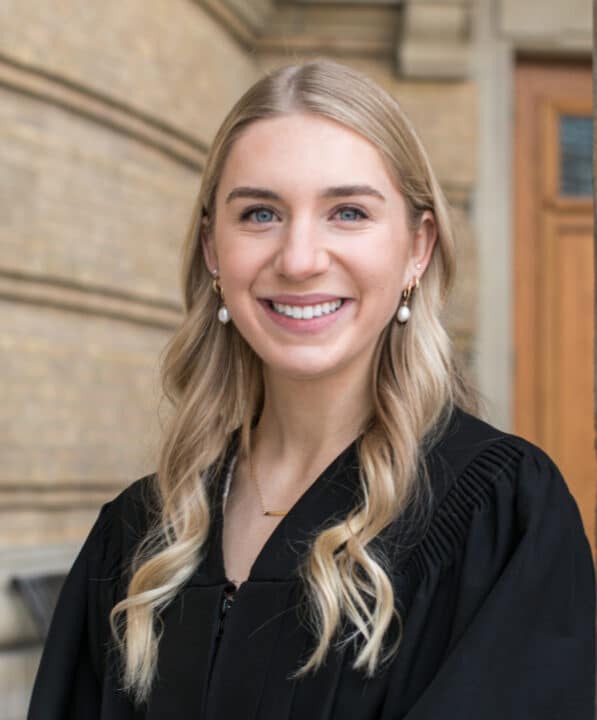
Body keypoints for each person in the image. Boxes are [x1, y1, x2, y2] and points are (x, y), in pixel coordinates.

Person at [28, 59, 595, 720]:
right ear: (214, 250)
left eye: (347, 212)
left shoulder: (495, 516)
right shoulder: (136, 538)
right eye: (260, 213)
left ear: (417, 248)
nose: (299, 258)